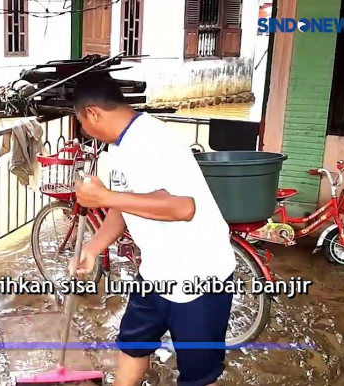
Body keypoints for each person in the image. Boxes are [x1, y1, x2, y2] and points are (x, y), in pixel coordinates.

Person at [72, 75, 236, 386]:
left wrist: (104, 196)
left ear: (93, 113)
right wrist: (93, 247)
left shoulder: (155, 140)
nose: (85, 131)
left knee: (198, 372)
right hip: (157, 271)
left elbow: (183, 208)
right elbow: (125, 204)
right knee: (134, 342)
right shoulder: (119, 146)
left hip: (200, 275)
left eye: (81, 122)